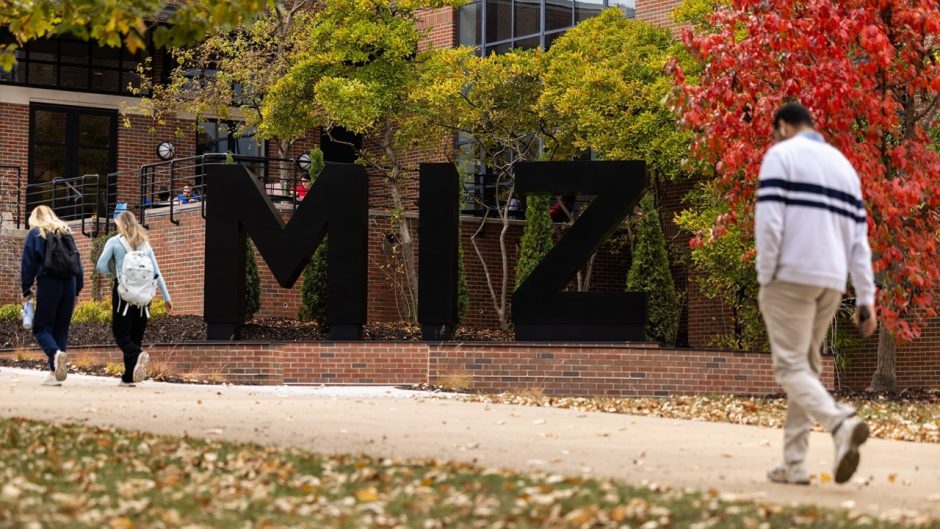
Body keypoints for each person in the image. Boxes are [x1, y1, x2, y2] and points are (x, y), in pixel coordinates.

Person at [756, 102, 877, 486]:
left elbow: (770, 222)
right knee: (804, 369)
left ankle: (840, 423)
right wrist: (865, 298)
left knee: (790, 368)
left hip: (790, 274)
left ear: (784, 126)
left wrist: (766, 274)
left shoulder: (781, 155)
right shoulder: (844, 166)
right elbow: (860, 240)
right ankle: (794, 464)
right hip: (831, 278)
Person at [96, 211, 172, 387]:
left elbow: (100, 266)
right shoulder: (145, 244)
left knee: (120, 333)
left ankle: (137, 355)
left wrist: (117, 274)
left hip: (124, 293)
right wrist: (167, 297)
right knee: (135, 334)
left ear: (120, 224)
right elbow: (157, 273)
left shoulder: (114, 242)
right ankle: (129, 377)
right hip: (145, 295)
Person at [20, 205, 83, 387]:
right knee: (61, 329)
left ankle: (55, 354)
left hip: (49, 281)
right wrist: (77, 288)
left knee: (41, 328)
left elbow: (28, 262)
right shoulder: (66, 232)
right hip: (69, 283)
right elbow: (77, 261)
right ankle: (55, 374)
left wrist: (26, 289)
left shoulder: (36, 234)